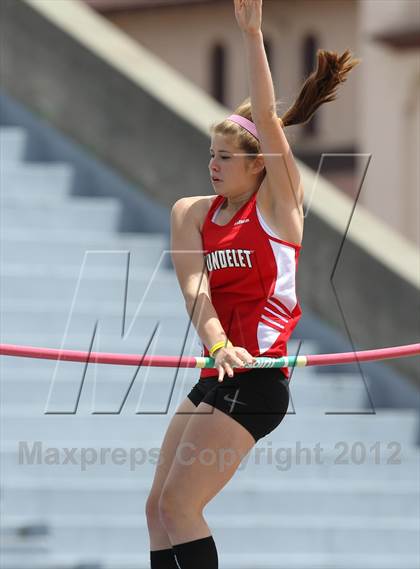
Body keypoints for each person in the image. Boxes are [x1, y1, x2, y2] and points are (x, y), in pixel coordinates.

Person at [145, 1, 360, 567]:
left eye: (225, 158)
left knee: (180, 507)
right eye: (210, 155)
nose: (213, 166)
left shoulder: (278, 207)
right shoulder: (191, 212)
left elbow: (268, 120)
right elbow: (197, 291)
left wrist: (254, 34)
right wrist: (216, 343)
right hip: (221, 368)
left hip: (260, 379)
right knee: (156, 510)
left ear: (257, 164)